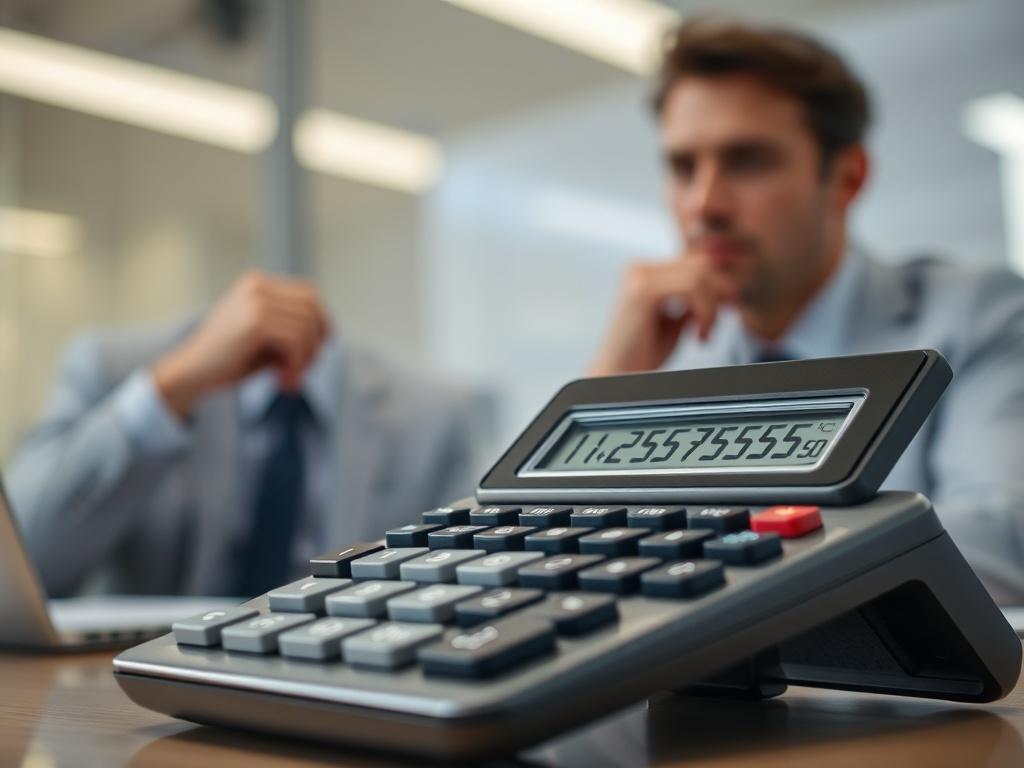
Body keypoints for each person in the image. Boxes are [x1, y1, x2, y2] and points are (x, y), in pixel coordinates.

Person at [589, 19, 1024, 602]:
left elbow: (995, 547)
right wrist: (603, 393)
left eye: (747, 161)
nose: (703, 203)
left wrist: (708, 577)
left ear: (846, 177)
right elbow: (554, 556)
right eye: (683, 167)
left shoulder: (981, 316)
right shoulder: (672, 365)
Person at [6, 271, 484, 598]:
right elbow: (21, 571)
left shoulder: (433, 412)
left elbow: (464, 585)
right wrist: (169, 388)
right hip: (152, 690)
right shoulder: (109, 367)